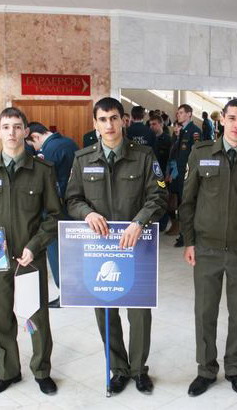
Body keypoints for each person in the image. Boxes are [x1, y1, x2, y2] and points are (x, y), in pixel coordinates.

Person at [65, 97, 167, 395]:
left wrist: (140, 221)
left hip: (136, 246)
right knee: (106, 312)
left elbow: (159, 196)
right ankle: (119, 369)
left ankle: (138, 370)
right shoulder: (82, 159)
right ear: (95, 124)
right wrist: (87, 213)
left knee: (140, 313)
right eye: (102, 119)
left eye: (113, 118)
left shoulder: (145, 156)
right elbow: (72, 199)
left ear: (124, 120)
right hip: (100, 250)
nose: (109, 125)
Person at [180, 99, 237, 397]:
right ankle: (206, 370)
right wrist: (189, 241)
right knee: (205, 312)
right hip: (206, 249)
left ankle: (235, 368)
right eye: (232, 118)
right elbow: (187, 202)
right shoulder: (201, 153)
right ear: (222, 119)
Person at [0, 107, 62, 396]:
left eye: (17, 126)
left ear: (25, 132)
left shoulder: (42, 170)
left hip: (31, 255)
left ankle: (41, 370)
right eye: (6, 127)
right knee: (1, 315)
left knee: (36, 315)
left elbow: (54, 216)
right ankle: (8, 372)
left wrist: (35, 245)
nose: (12, 132)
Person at [26, 122, 79, 307]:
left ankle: (65, 293)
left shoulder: (47, 151)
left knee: (56, 252)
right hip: (75, 206)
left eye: (33, 144)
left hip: (56, 209)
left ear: (35, 136)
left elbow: (43, 182)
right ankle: (77, 289)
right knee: (74, 252)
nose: (35, 149)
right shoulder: (70, 142)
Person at [172, 103, 202, 247]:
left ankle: (188, 235)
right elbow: (176, 152)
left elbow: (197, 154)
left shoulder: (194, 131)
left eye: (181, 112)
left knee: (188, 205)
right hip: (179, 173)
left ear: (189, 114)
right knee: (181, 204)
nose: (179, 115)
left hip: (188, 174)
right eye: (178, 113)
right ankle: (183, 233)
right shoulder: (182, 131)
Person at [150, 114, 173, 231]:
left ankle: (162, 223)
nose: (151, 127)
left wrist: (168, 174)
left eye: (154, 124)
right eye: (150, 124)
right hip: (150, 176)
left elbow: (171, 159)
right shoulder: (150, 139)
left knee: (162, 198)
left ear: (161, 124)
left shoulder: (168, 140)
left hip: (162, 176)